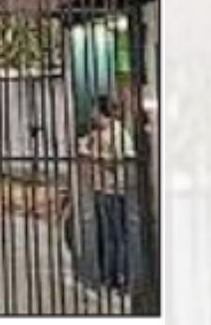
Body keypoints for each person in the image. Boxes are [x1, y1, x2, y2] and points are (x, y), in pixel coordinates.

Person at [80, 95, 136, 291]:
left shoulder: (118, 133)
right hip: (101, 189)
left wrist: (99, 158)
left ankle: (121, 277)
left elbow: (126, 158)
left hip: (114, 190)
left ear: (101, 111)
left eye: (94, 109)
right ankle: (108, 277)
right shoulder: (97, 134)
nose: (91, 114)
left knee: (118, 236)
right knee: (106, 236)